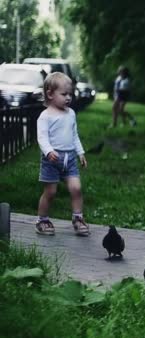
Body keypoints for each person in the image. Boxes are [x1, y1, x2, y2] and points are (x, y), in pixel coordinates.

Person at [35, 72, 89, 236]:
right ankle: (42, 220)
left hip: (70, 158)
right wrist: (49, 151)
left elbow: (74, 135)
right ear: (50, 94)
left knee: (76, 188)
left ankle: (78, 219)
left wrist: (80, 153)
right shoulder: (45, 116)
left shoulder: (70, 113)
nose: (68, 98)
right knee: (50, 192)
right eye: (64, 94)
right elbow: (42, 138)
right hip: (52, 159)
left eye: (70, 94)